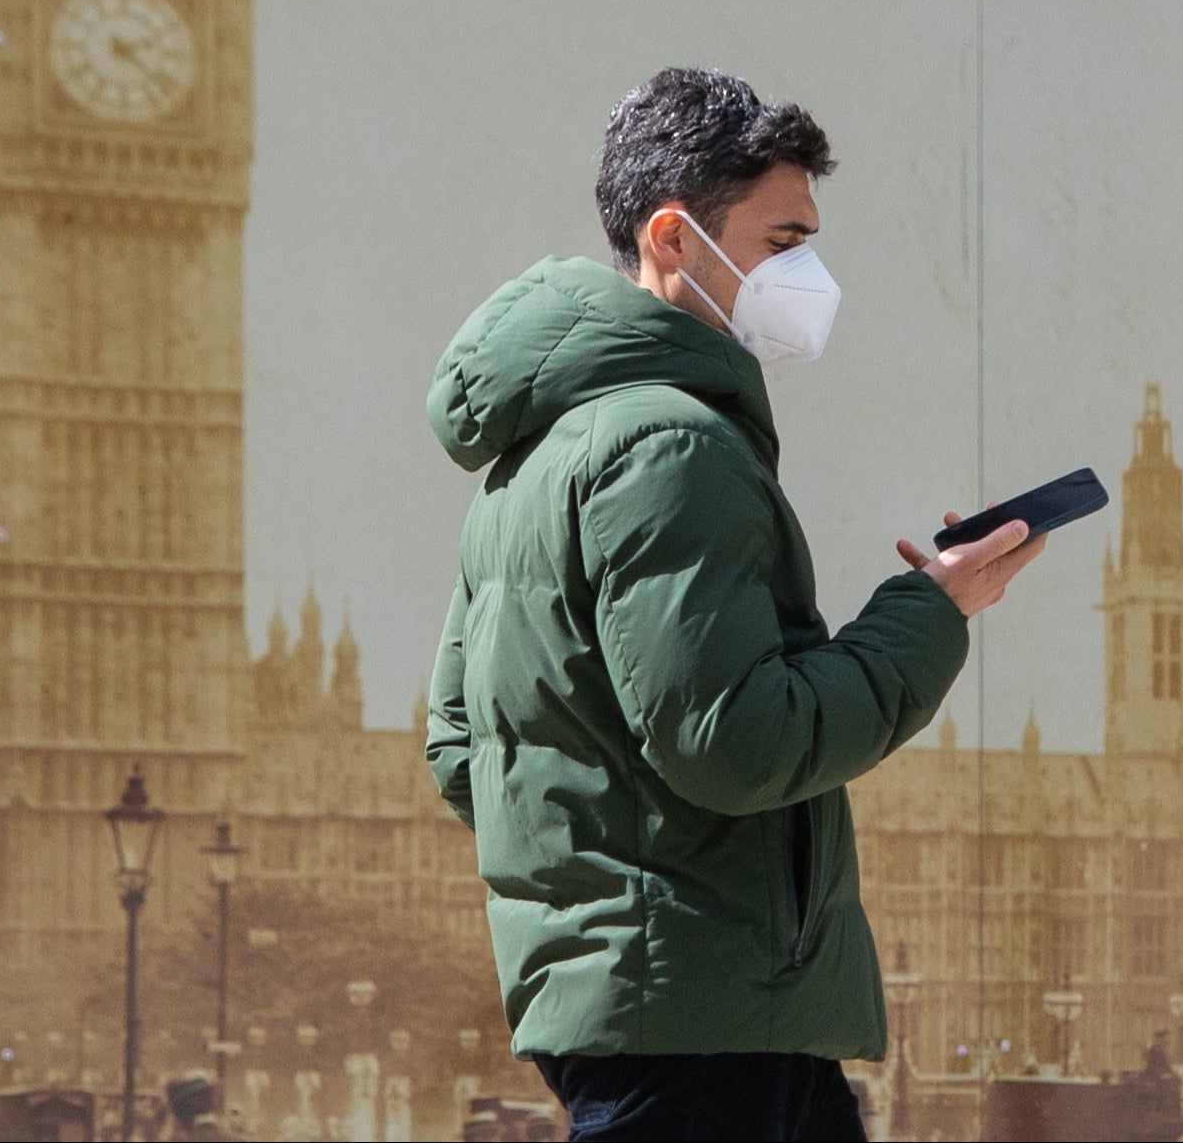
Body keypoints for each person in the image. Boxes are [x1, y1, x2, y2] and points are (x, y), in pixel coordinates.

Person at [424, 69, 1047, 1142]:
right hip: (702, 1012)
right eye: (783, 241)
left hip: (675, 1002)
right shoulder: (672, 444)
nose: (811, 275)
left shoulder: (538, 455)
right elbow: (735, 741)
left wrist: (604, 874)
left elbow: (458, 744)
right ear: (673, 240)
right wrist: (927, 615)